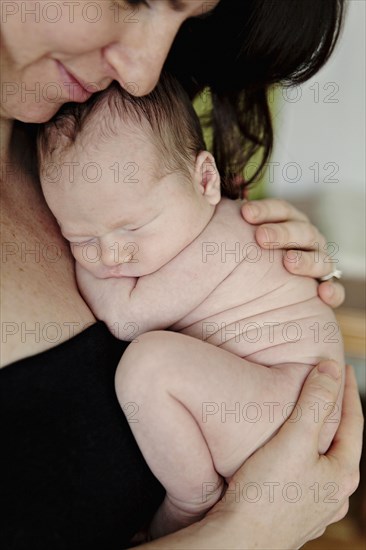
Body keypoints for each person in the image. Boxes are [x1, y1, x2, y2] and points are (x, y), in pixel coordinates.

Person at [0, 1, 362, 548]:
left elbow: (125, 317)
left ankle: (192, 496)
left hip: (281, 407)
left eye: (185, 22)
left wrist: (297, 260)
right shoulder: (77, 171)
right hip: (268, 416)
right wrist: (243, 534)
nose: (144, 72)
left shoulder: (88, 135)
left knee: (148, 365)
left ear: (205, 179)